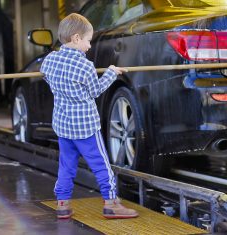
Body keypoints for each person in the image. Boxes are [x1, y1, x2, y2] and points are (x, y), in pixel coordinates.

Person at [40, 13, 138, 219]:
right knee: (101, 165)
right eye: (87, 40)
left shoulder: (49, 60)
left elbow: (46, 76)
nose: (89, 46)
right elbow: (96, 90)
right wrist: (111, 72)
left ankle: (62, 205)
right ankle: (111, 204)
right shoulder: (85, 66)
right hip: (85, 128)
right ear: (76, 38)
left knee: (66, 167)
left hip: (63, 126)